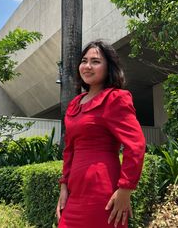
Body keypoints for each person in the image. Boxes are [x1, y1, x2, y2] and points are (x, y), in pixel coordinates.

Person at [56, 40, 146, 228]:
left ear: (109, 68)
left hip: (101, 190)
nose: (87, 66)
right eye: (84, 60)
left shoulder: (115, 99)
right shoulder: (75, 104)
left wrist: (125, 189)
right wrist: (64, 187)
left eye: (95, 61)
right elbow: (69, 149)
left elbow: (135, 145)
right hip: (75, 192)